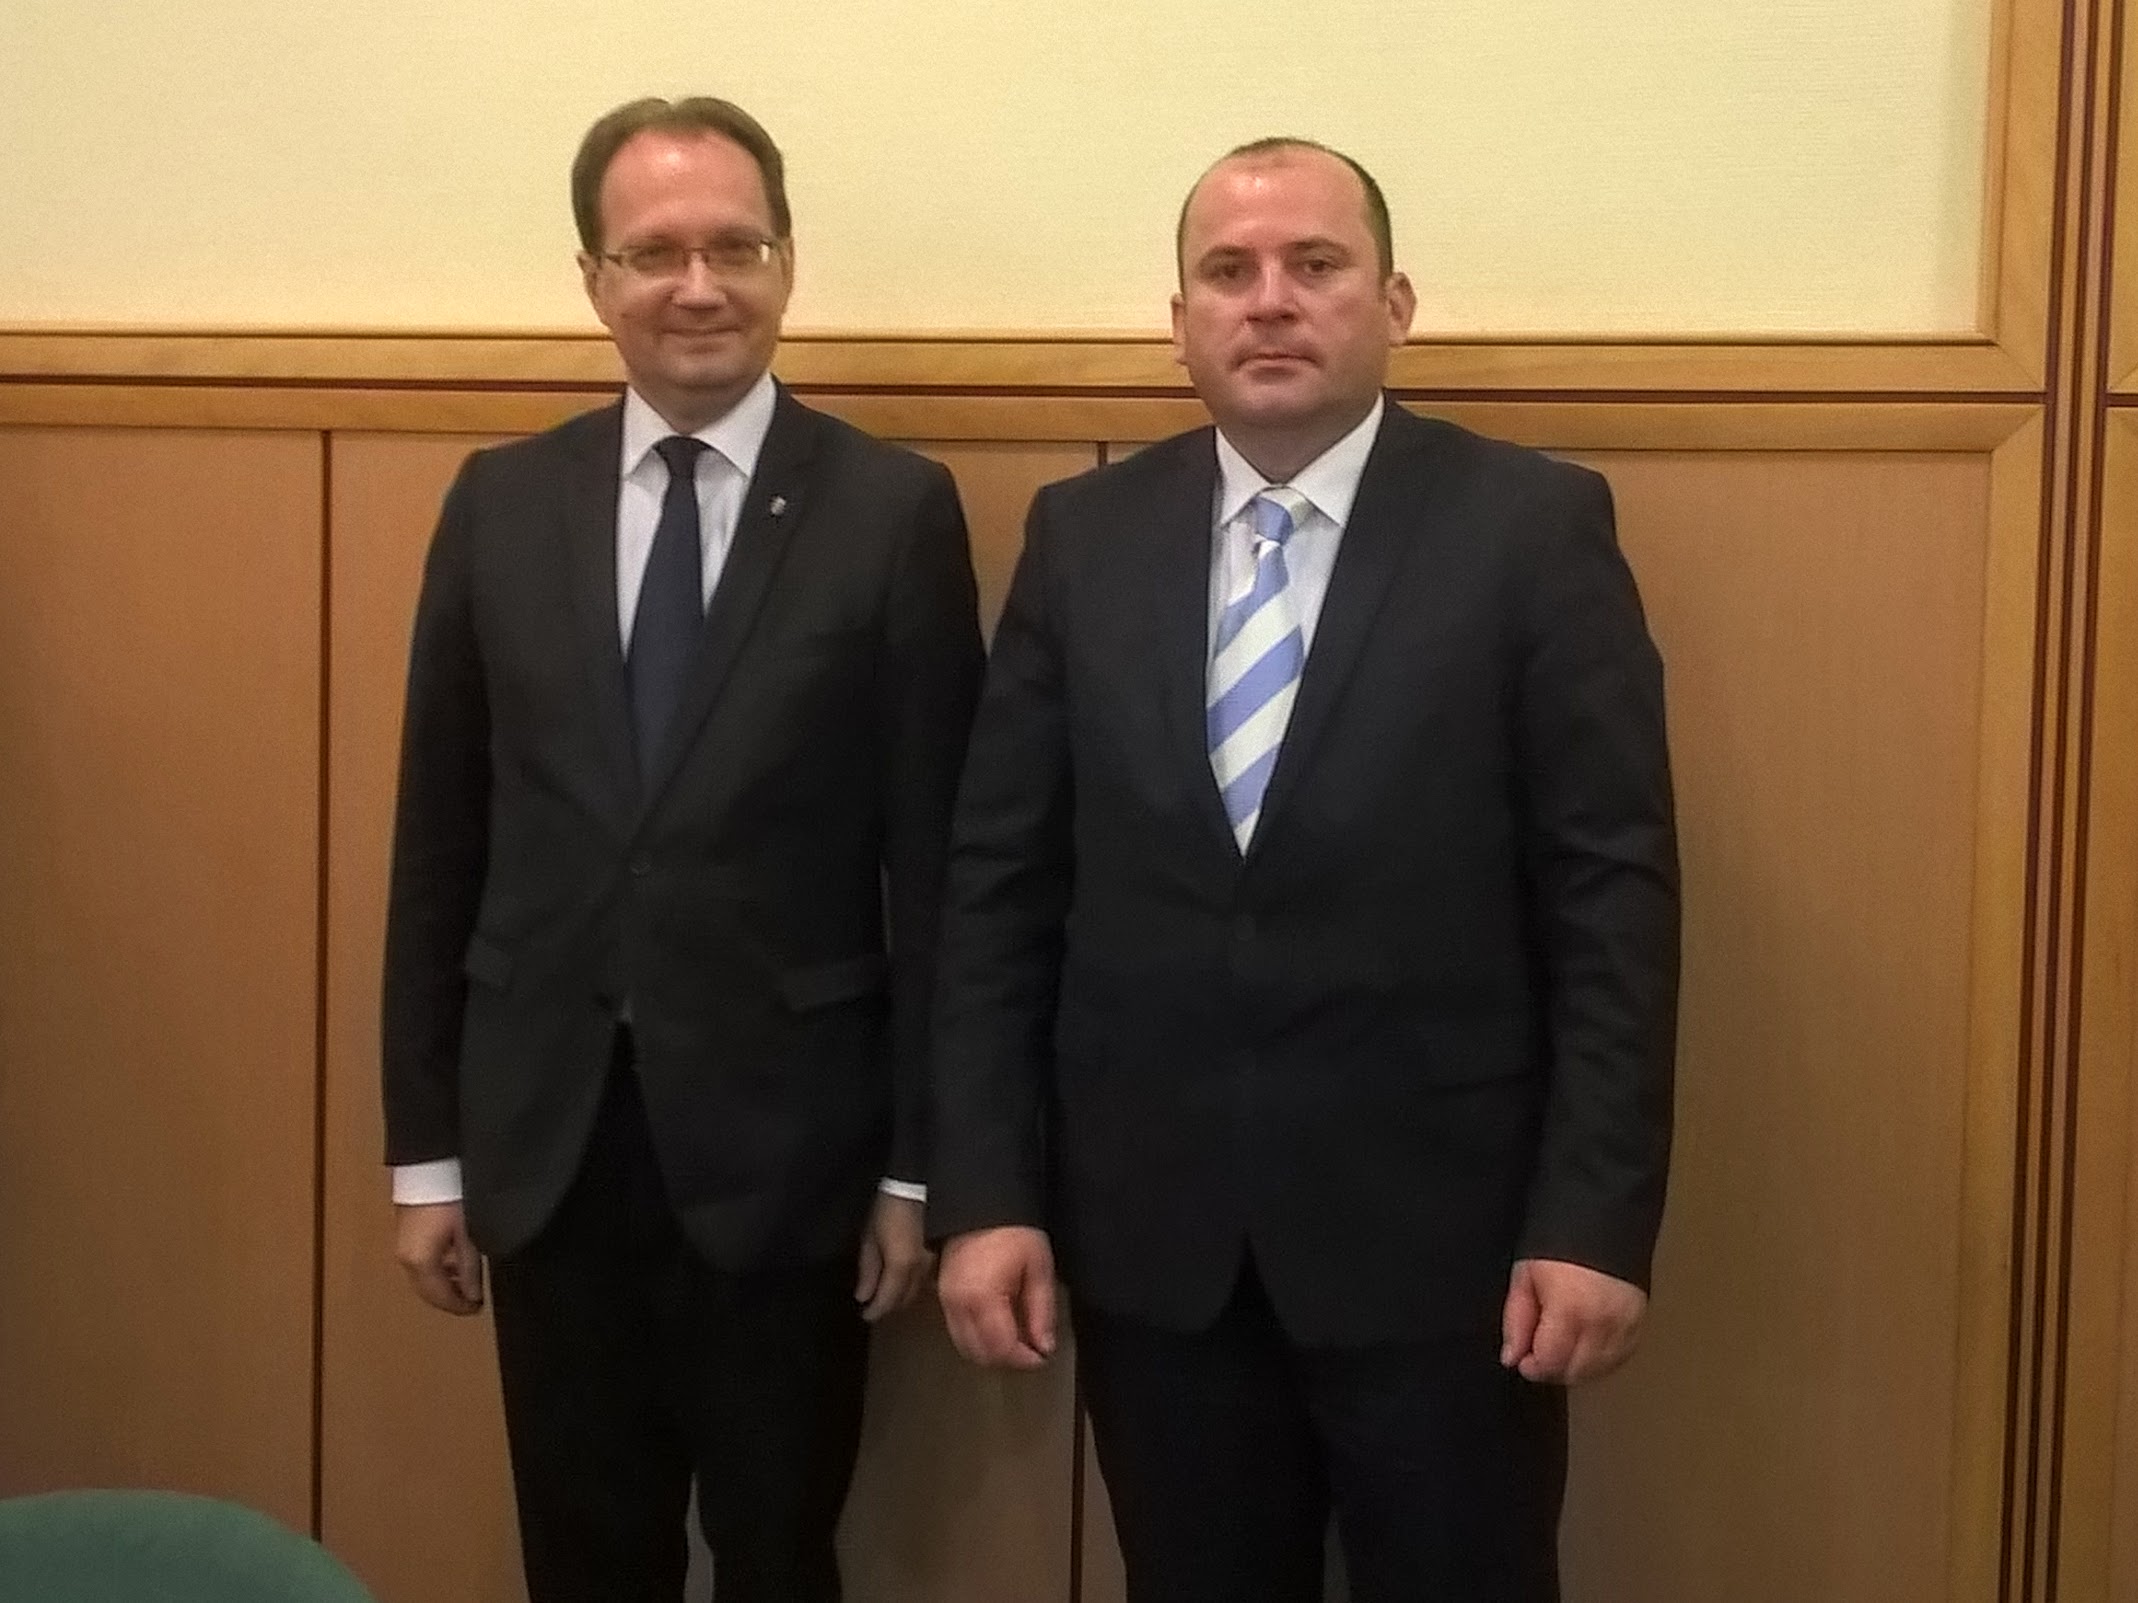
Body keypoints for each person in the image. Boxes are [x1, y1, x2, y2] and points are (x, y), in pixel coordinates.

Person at [930, 137, 1678, 1603]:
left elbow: (1612, 901)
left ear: (1393, 303)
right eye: (1228, 272)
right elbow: (999, 890)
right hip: (1157, 1253)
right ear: (1181, 322)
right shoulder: (1085, 537)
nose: (1268, 300)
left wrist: (1592, 1223)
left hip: (1450, 1257)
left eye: (1314, 265)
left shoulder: (1528, 529)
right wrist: (990, 1192)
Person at [380, 96, 983, 1603]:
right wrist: (427, 1153)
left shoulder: (891, 511)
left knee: (779, 1552)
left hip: (794, 1153)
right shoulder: (500, 503)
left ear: (788, 263)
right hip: (551, 1145)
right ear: (594, 279)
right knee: (583, 1557)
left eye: (734, 247)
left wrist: (921, 1170)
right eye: (654, 253)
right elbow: (438, 847)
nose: (697, 285)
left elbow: (940, 873)